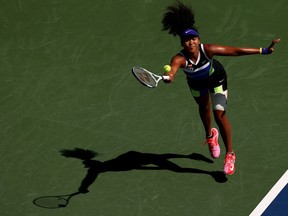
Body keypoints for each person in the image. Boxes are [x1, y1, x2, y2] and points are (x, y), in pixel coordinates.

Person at [161, 1, 280, 175]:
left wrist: (263, 50)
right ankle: (210, 136)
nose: (191, 42)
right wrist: (170, 76)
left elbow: (235, 51)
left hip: (217, 79)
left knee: (219, 114)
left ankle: (230, 154)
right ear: (182, 43)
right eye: (187, 40)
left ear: (198, 39)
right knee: (203, 108)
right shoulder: (179, 58)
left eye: (193, 38)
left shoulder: (208, 50)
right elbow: (173, 69)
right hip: (196, 84)